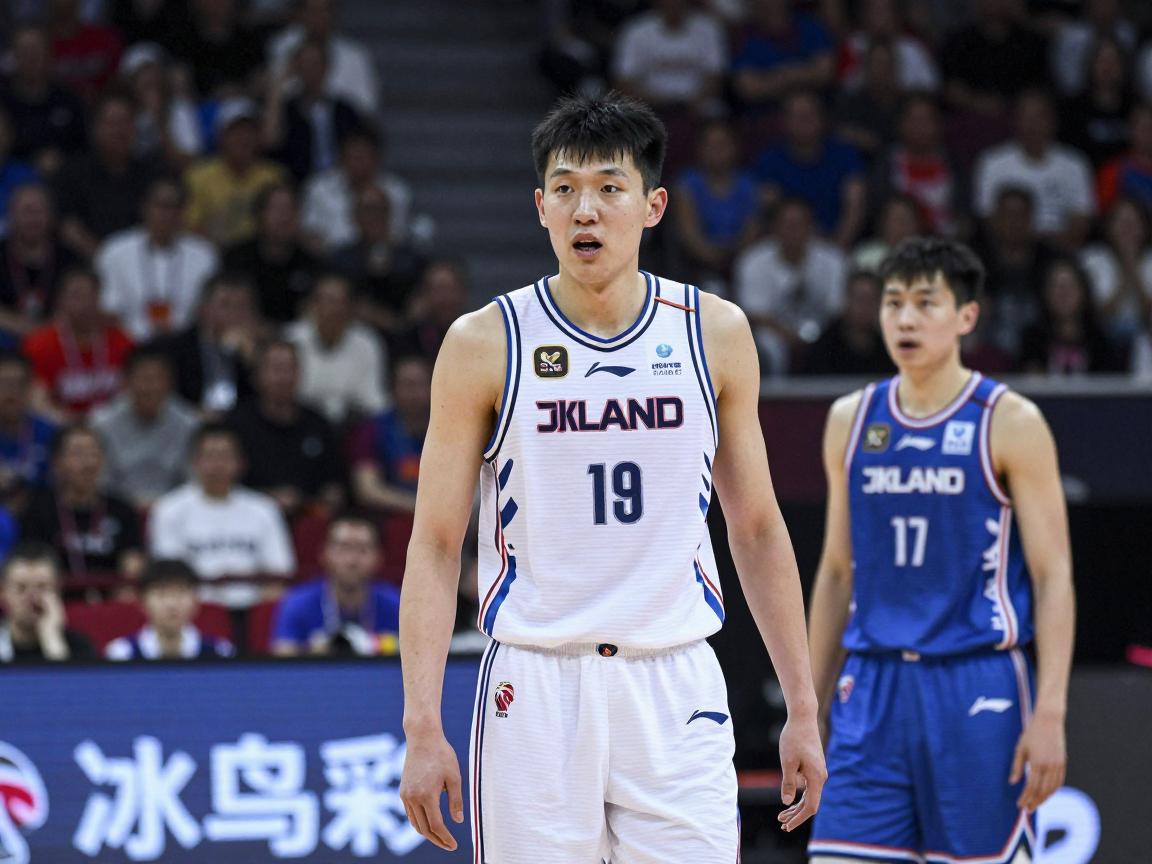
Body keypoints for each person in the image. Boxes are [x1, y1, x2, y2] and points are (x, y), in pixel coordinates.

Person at [398, 92, 825, 860]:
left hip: (675, 682)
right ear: (540, 209)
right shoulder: (484, 342)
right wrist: (421, 724)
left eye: (608, 187)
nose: (585, 209)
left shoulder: (714, 333)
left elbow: (757, 528)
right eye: (564, 189)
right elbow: (434, 542)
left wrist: (802, 704)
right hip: (536, 684)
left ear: (653, 206)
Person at [807, 238, 1075, 863]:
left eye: (925, 303)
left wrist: (1052, 712)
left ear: (966, 316)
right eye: (893, 302)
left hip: (975, 680)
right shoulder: (850, 419)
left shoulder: (1010, 421)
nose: (905, 318)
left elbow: (1053, 574)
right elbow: (838, 571)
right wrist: (807, 701)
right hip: (871, 684)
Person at [149, 422, 295, 612]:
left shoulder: (264, 509)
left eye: (225, 456)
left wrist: (260, 612)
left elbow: (279, 573)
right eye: (210, 456)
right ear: (194, 461)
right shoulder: (168, 509)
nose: (218, 465)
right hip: (193, 612)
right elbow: (170, 576)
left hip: (253, 610)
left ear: (240, 462)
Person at [226, 339, 344, 516]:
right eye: (276, 369)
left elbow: (335, 482)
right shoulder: (236, 424)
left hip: (308, 517)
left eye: (290, 369)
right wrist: (268, 497)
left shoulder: (318, 423)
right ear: (257, 375)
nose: (283, 378)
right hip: (249, 516)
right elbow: (225, 482)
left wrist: (329, 496)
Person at [95, 176, 220, 341]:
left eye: (175, 207)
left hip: (186, 344)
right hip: (128, 343)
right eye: (161, 206)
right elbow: (108, 309)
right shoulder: (114, 251)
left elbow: (210, 312)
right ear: (144, 208)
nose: (168, 214)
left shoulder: (204, 255)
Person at [20, 424, 145, 587]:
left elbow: (134, 561)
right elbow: (32, 563)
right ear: (57, 462)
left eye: (94, 453)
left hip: (112, 597)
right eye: (78, 454)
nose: (88, 463)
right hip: (56, 595)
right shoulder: (37, 510)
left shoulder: (122, 510)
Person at [270, 512, 400, 656]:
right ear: (324, 553)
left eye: (362, 549)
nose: (352, 560)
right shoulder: (297, 603)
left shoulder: (397, 605)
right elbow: (282, 657)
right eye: (343, 548)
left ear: (379, 557)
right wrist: (314, 653)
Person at [90, 345, 199, 507]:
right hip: (116, 508)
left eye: (158, 379)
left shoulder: (189, 424)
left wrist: (165, 507)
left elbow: (193, 480)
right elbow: (99, 479)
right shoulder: (101, 424)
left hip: (176, 509)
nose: (151, 387)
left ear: (170, 383)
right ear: (126, 382)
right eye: (144, 379)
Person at [22, 267, 134, 420]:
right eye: (76, 296)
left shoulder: (122, 341)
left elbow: (132, 393)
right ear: (60, 300)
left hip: (113, 425)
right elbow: (37, 401)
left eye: (90, 296)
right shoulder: (39, 345)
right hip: (60, 427)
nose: (84, 304)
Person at [149, 271, 260, 413]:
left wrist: (252, 361)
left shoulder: (259, 351)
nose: (234, 313)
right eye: (225, 305)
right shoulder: (174, 348)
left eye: (242, 306)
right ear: (204, 308)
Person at [285, 272, 388, 424]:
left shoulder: (367, 342)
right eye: (327, 301)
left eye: (340, 302)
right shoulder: (291, 339)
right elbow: (288, 392)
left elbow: (373, 399)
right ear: (312, 305)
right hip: (300, 423)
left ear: (350, 308)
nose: (333, 309)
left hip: (351, 424)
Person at [105, 558, 235, 660]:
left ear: (196, 600)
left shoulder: (220, 652)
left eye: (180, 593)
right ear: (142, 602)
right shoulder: (121, 654)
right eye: (162, 594)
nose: (171, 604)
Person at [351, 354, 429, 515]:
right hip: (390, 518)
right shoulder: (372, 430)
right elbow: (368, 490)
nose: (414, 393)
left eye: (421, 384)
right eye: (407, 385)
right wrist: (420, 508)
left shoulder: (450, 429)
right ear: (392, 389)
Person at [0, 541, 95, 662]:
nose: (32, 598)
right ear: (3, 592)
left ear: (58, 590)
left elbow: (68, 676)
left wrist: (51, 636)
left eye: (42, 587)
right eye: (21, 588)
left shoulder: (79, 647)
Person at [0, 350, 57, 511]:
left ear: (31, 388)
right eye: (4, 384)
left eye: (19, 384)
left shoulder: (51, 434)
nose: (11, 393)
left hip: (41, 516)